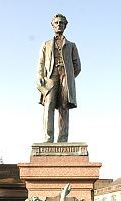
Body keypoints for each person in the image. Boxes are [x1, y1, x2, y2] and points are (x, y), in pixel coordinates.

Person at [37, 14, 81, 142]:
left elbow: (77, 66)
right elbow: (41, 62)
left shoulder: (72, 45)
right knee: (48, 105)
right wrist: (40, 76)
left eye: (61, 23)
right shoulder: (46, 44)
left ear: (65, 25)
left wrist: (69, 78)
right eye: (56, 22)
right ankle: (48, 139)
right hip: (51, 77)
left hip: (65, 78)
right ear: (52, 25)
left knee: (64, 107)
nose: (58, 25)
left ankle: (62, 139)